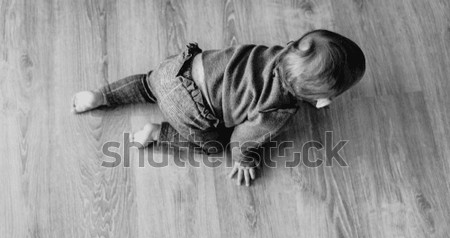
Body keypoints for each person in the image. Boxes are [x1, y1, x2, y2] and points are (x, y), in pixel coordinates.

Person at [72, 29, 366, 186]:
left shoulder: (279, 53)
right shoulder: (279, 108)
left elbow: (301, 65)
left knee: (147, 85)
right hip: (191, 108)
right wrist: (245, 159)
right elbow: (244, 138)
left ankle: (101, 96)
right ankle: (156, 133)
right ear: (323, 99)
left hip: (179, 68)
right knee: (215, 146)